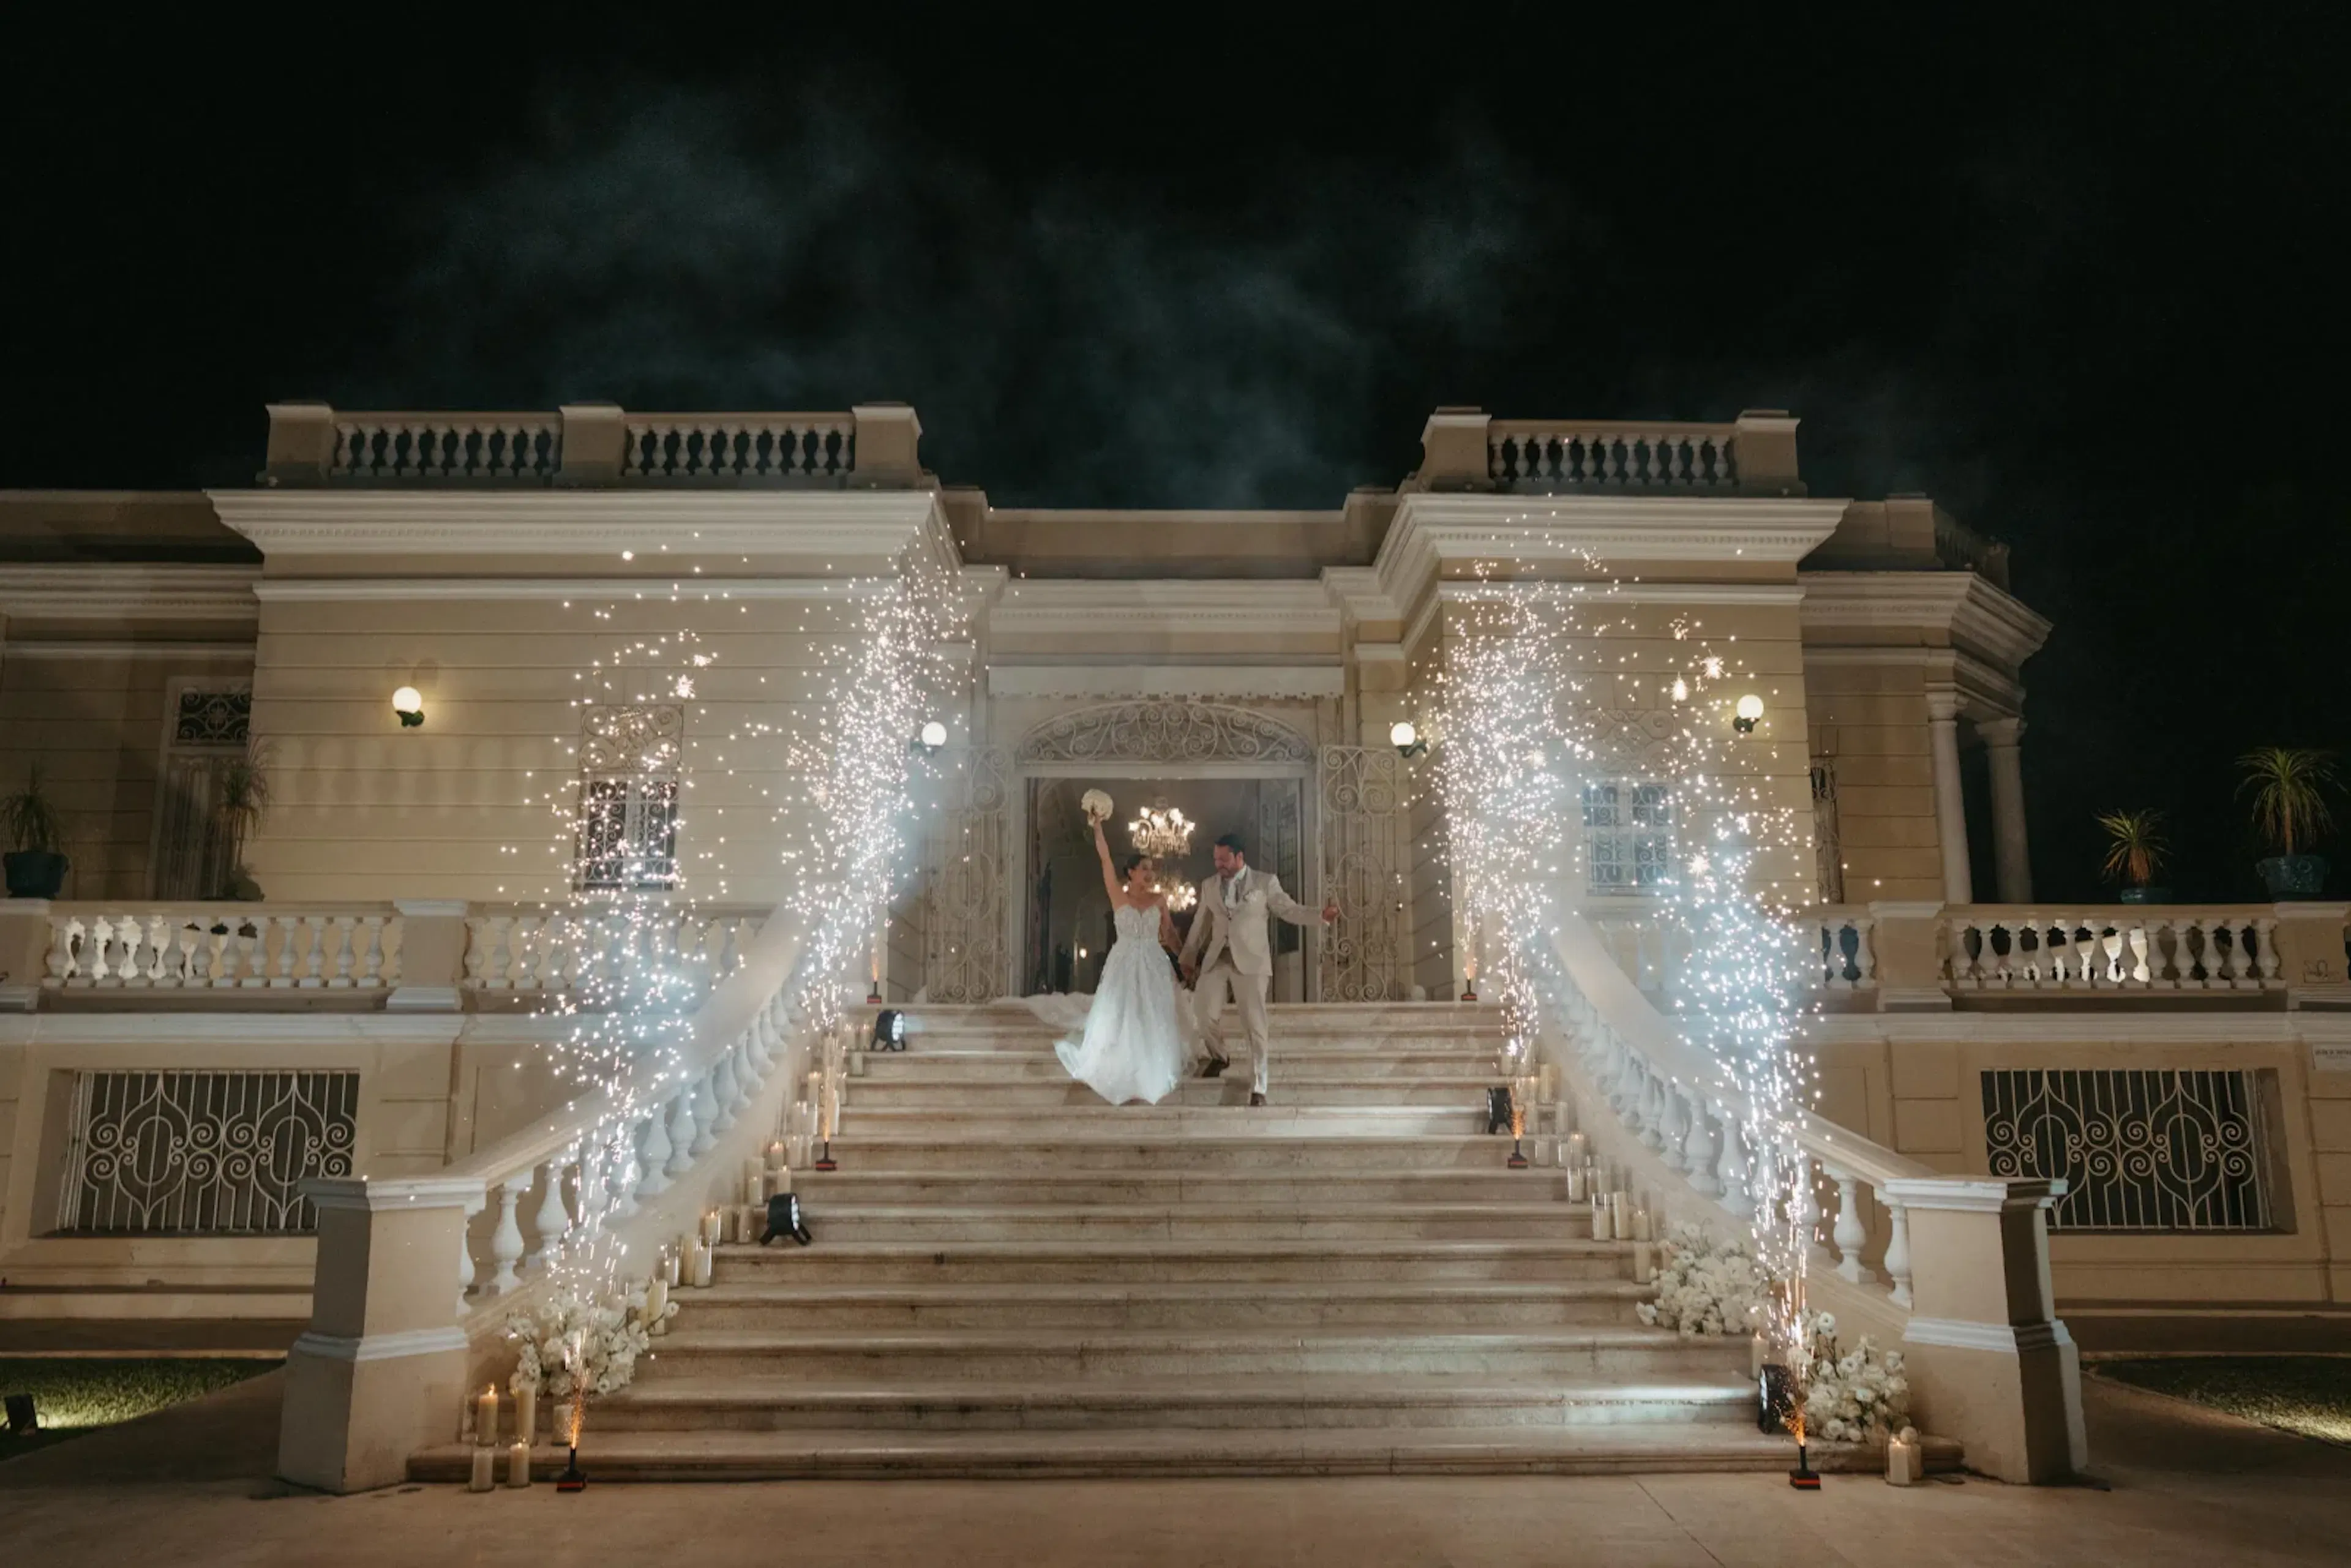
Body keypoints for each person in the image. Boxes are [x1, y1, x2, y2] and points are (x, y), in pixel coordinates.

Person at [1027, 814, 1190, 1105]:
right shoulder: (1118, 895)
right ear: (1131, 872)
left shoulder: (1159, 900)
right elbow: (1105, 860)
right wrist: (1098, 827)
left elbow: (1169, 934)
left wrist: (1186, 959)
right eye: (1144, 868)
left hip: (1153, 961)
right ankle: (1122, 1065)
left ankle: (1152, 1067)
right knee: (1123, 1013)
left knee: (1152, 1013)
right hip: (1124, 961)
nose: (1150, 873)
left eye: (1151, 869)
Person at [1177, 832, 1338, 1106]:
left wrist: (1319, 916)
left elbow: (1288, 910)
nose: (1218, 865)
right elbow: (1200, 924)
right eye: (1216, 859)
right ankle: (1219, 1056)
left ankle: (1259, 1086)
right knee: (1202, 1013)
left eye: (1224, 859)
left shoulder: (1265, 882)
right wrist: (1188, 957)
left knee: (1254, 1024)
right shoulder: (1209, 886)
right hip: (1218, 958)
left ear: (1239, 857)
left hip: (1252, 960)